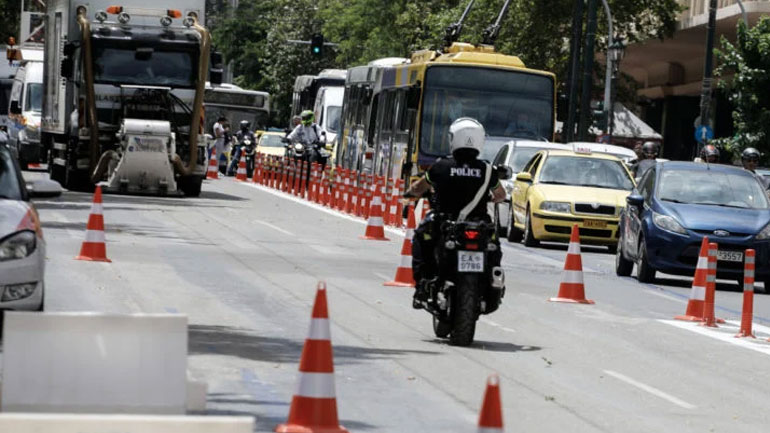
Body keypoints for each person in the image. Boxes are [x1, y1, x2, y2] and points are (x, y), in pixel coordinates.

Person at [403, 117, 507, 309]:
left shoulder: (441, 166)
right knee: (494, 247)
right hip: (479, 224)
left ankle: (422, 287)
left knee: (420, 239)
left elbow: (419, 188)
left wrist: (408, 193)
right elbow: (500, 194)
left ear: (454, 139)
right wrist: (491, 199)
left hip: (445, 222)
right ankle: (495, 279)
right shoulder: (487, 169)